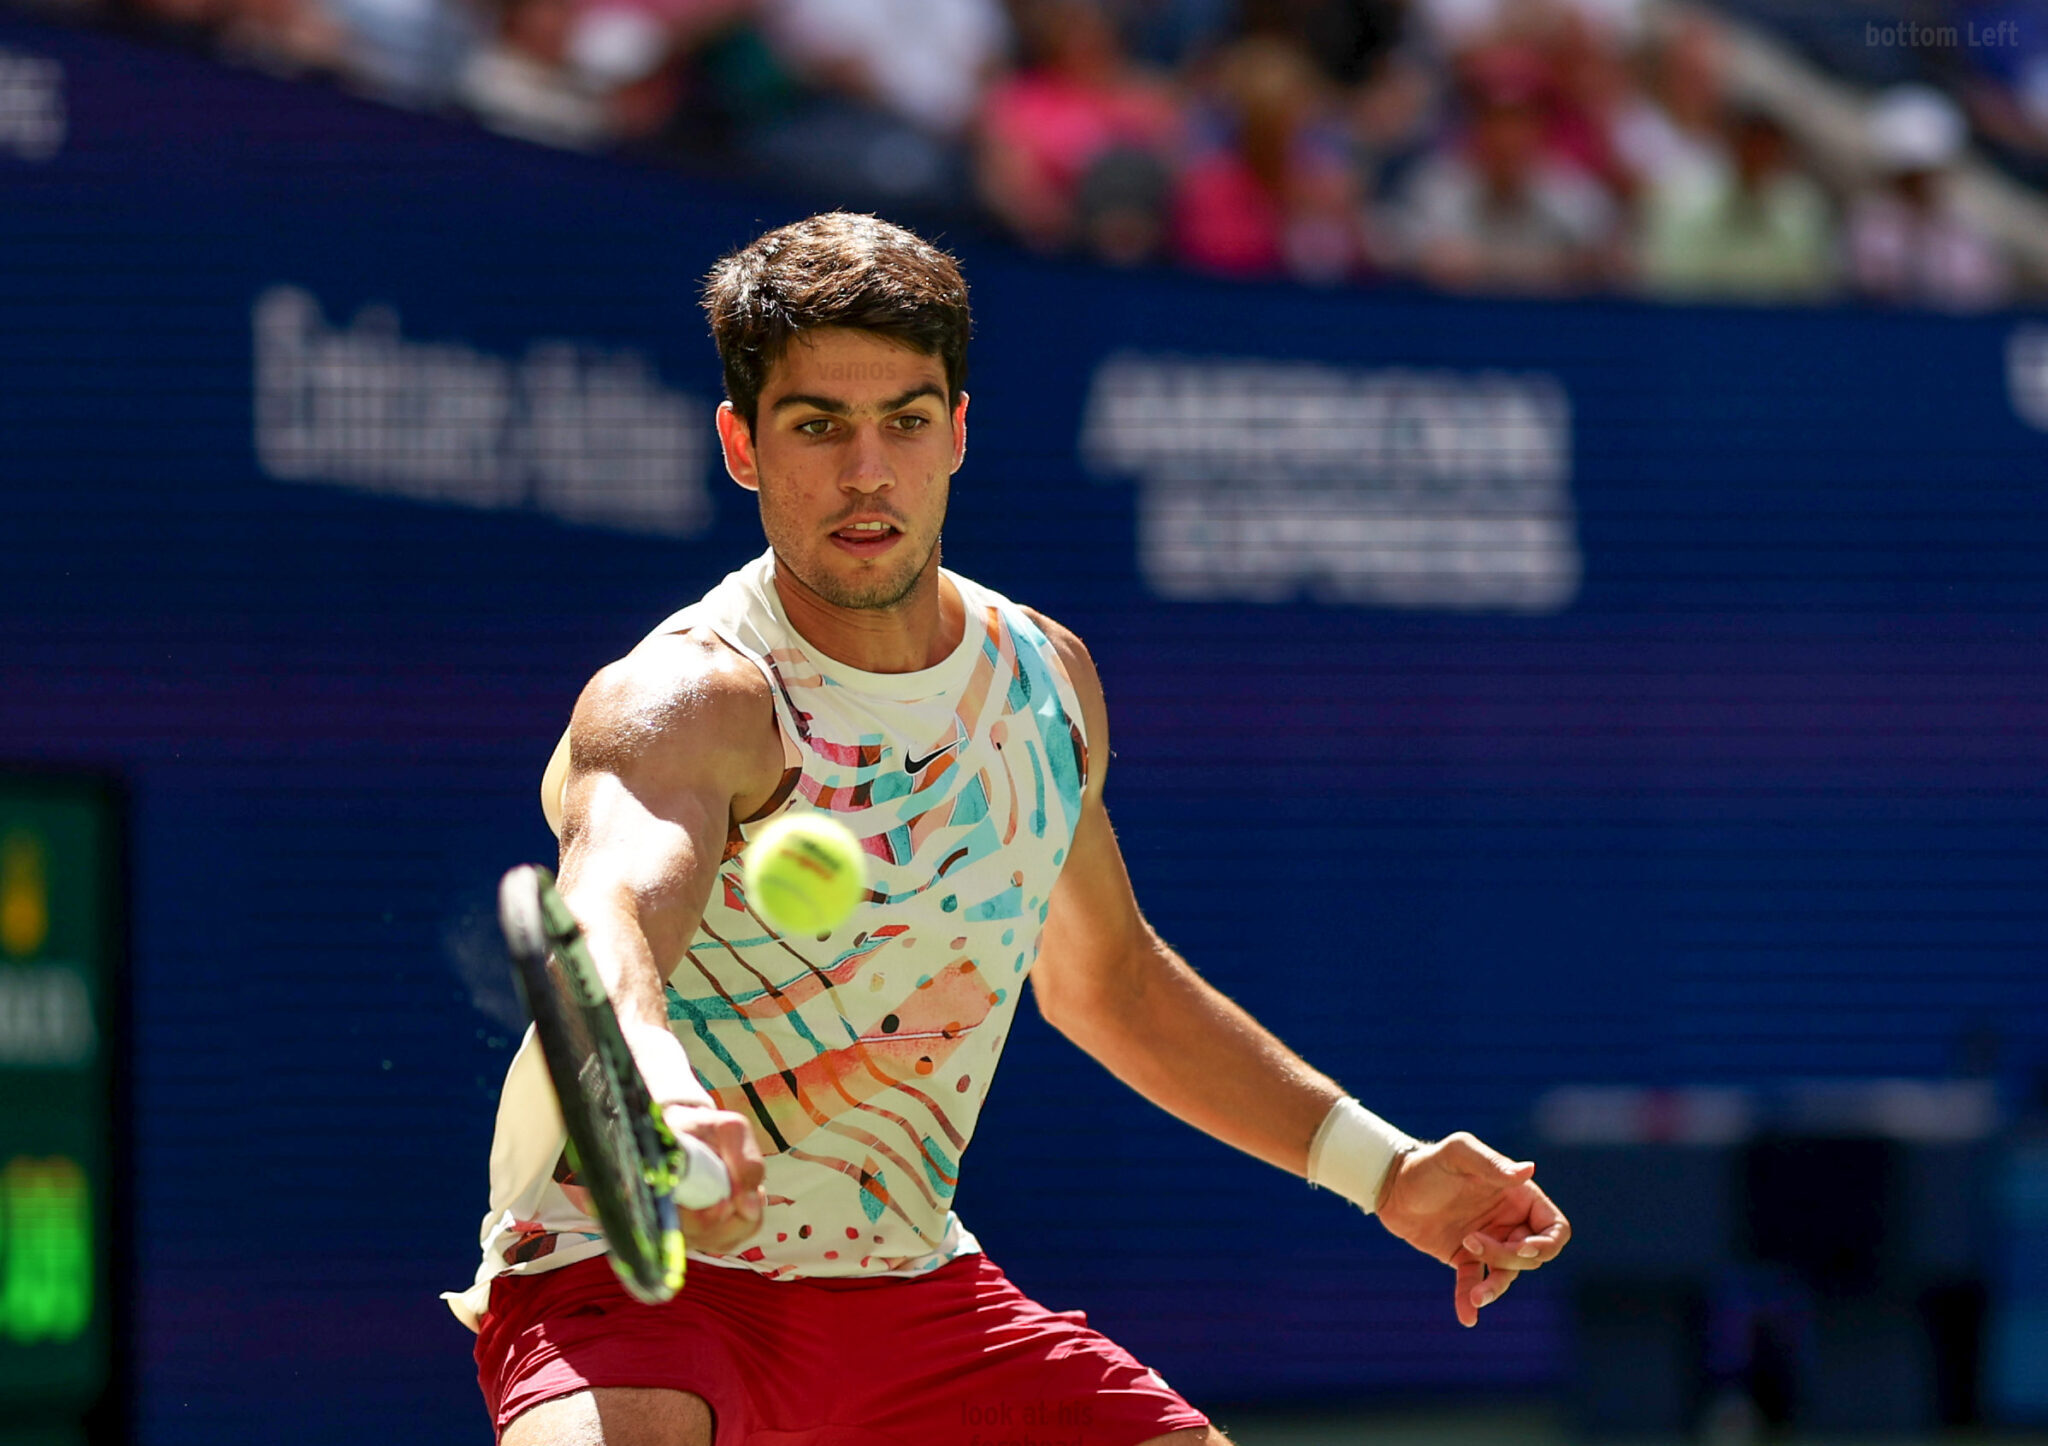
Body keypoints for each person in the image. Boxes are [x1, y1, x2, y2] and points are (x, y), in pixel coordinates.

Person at [445, 211, 1572, 1446]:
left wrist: (1386, 1171)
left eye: (905, 423)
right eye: (817, 427)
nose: (866, 473)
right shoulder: (690, 698)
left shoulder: (1043, 685)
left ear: (958, 432)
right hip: (627, 1278)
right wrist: (656, 1095)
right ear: (741, 446)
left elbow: (1111, 985)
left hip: (910, 1292)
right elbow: (605, 920)